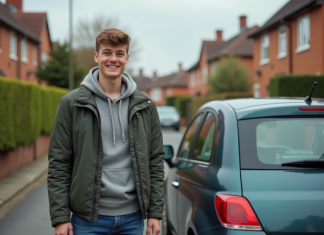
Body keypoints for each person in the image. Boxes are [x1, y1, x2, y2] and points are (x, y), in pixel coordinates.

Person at [47, 28, 164, 235]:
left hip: (133, 219)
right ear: (96, 56)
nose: (113, 59)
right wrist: (60, 217)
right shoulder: (72, 103)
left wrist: (155, 213)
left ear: (127, 58)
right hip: (87, 221)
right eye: (107, 52)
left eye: (119, 54)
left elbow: (155, 161)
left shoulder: (145, 105)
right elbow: (59, 162)